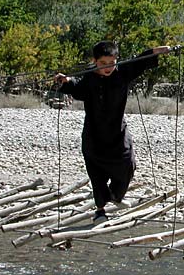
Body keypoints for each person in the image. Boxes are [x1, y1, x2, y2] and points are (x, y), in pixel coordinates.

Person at [55, 41, 172, 225]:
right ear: (95, 61)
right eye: (103, 63)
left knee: (128, 163)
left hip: (118, 133)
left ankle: (116, 196)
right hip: (94, 136)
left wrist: (158, 51)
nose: (108, 67)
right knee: (97, 174)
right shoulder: (88, 79)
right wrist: (66, 81)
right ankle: (100, 211)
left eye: (112, 62)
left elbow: (140, 61)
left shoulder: (123, 72)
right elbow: (76, 88)